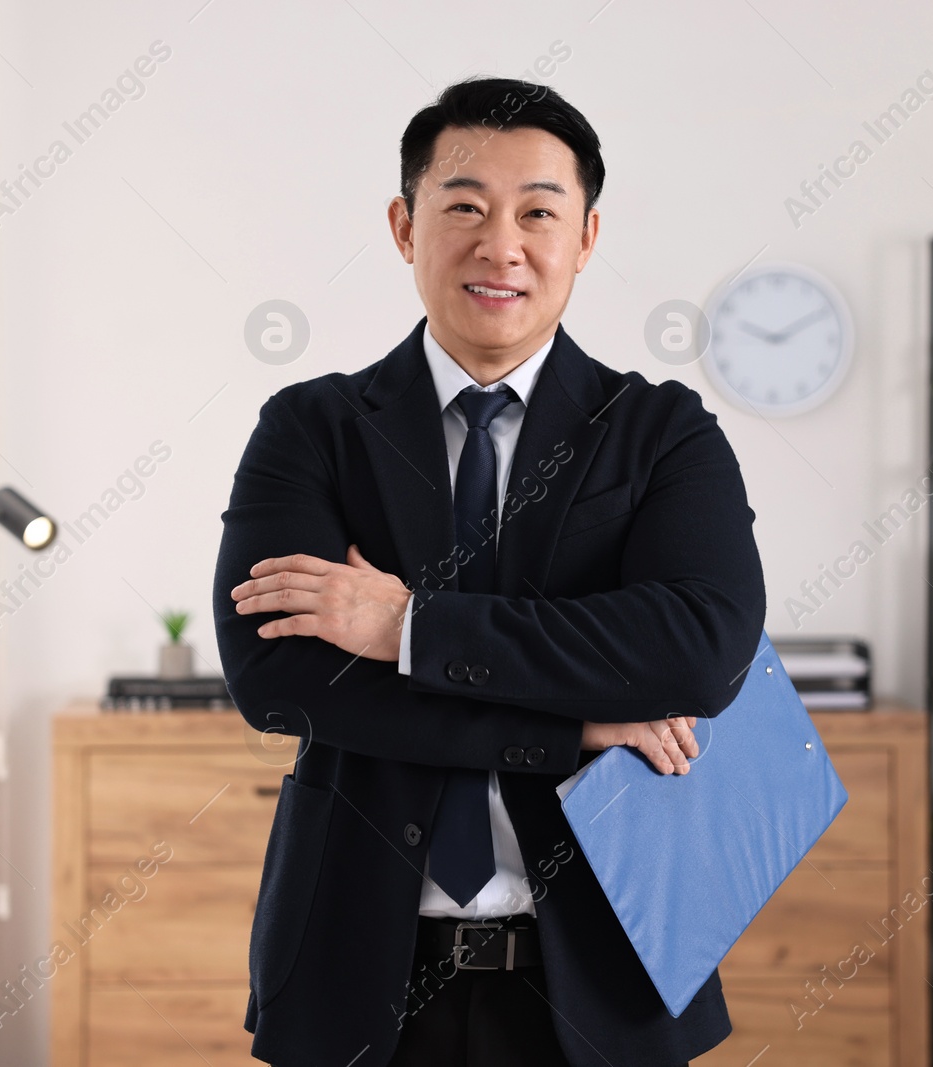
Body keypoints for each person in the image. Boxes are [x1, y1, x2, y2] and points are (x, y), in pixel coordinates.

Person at [214, 75, 765, 1067]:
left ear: (585, 237)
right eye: (462, 206)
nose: (499, 244)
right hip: (355, 981)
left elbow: (700, 648)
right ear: (403, 224)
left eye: (537, 213)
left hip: (609, 983)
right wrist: (573, 719)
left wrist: (403, 629)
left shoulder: (660, 433)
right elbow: (280, 681)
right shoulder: (312, 429)